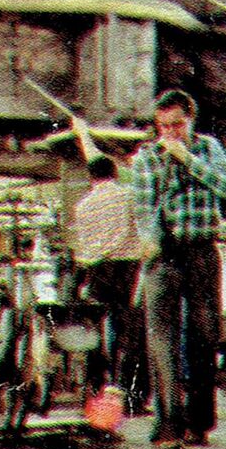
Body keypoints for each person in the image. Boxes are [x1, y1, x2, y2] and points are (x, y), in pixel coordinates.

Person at [129, 90, 226, 449]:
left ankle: (199, 422)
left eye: (177, 124)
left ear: (191, 119)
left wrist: (187, 159)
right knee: (162, 339)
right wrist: (149, 241)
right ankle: (168, 423)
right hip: (165, 253)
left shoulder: (208, 148)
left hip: (202, 250)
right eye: (163, 126)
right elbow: (143, 209)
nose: (170, 132)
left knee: (204, 335)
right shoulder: (146, 157)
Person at [70, 114, 149, 412]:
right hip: (127, 270)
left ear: (91, 178)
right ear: (115, 173)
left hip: (96, 271)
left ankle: (95, 390)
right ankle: (132, 397)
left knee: (98, 334)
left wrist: (82, 135)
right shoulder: (129, 197)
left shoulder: (82, 207)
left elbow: (83, 245)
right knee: (132, 334)